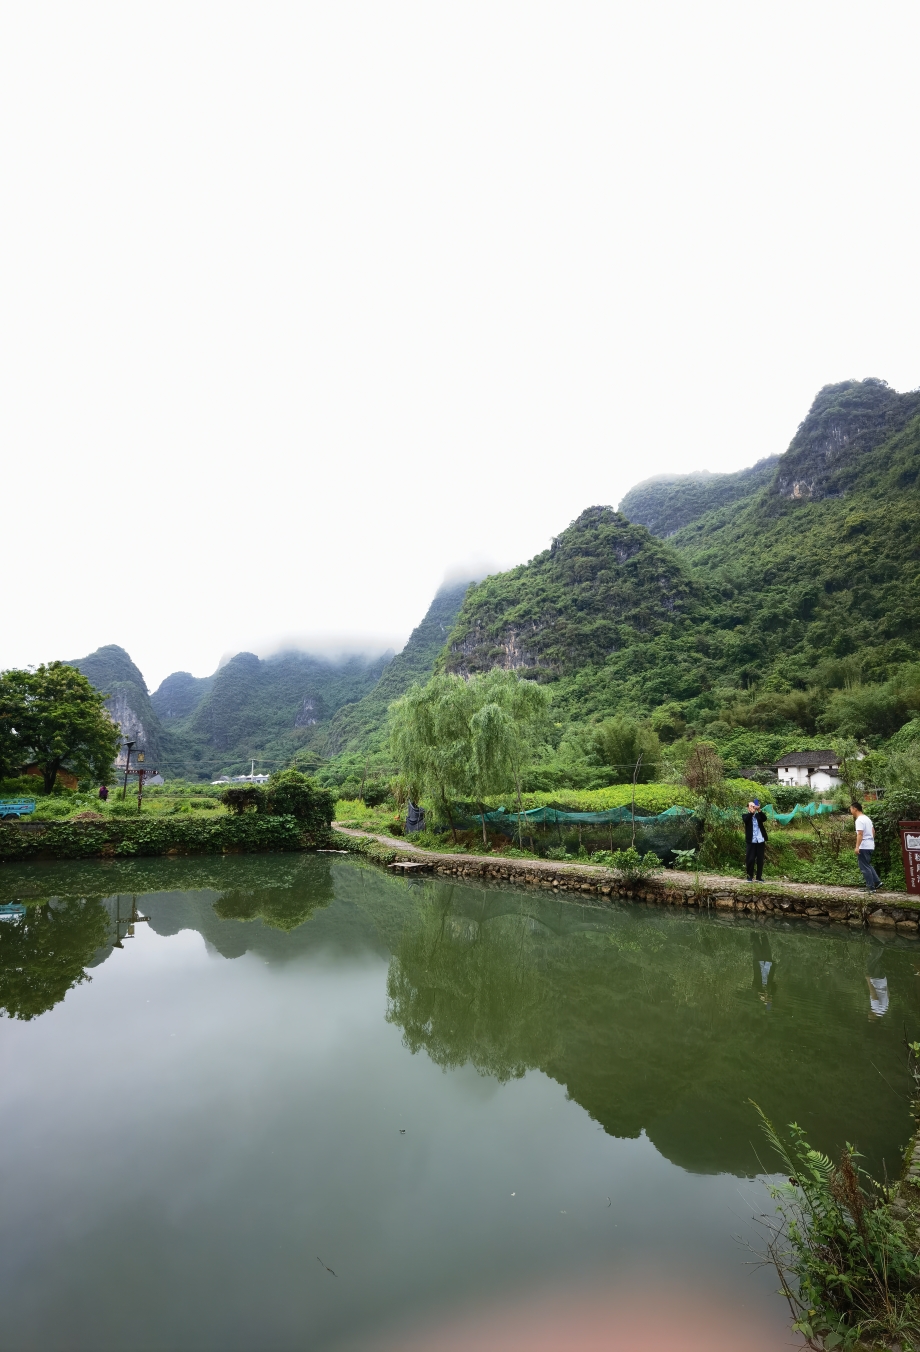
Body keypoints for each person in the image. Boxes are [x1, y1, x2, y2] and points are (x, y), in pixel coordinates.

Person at [850, 801, 882, 893]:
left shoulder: (859, 820)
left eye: (851, 809)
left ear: (855, 809)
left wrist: (857, 847)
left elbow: (860, 834)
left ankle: (871, 887)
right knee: (867, 864)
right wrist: (870, 841)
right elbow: (873, 831)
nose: (850, 811)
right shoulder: (867, 818)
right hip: (870, 845)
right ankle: (877, 882)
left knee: (864, 867)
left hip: (864, 846)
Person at [742, 799, 768, 881]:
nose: (753, 807)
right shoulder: (745, 815)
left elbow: (764, 818)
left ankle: (759, 877)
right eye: (751, 806)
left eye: (754, 806)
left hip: (760, 840)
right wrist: (751, 813)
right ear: (748, 808)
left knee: (760, 859)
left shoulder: (758, 815)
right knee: (750, 859)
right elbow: (746, 820)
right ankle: (749, 876)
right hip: (751, 841)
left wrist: (759, 810)